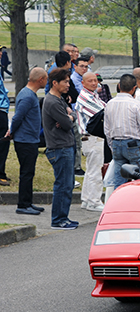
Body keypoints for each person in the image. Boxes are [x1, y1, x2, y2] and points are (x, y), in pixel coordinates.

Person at [8, 68, 47, 215]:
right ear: (40, 80)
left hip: (29, 139)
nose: (47, 81)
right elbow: (18, 117)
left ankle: (28, 202)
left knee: (29, 172)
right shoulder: (27, 96)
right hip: (25, 141)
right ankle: (23, 205)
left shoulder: (29, 94)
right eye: (46, 79)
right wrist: (11, 132)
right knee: (26, 173)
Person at [43, 68, 78, 230]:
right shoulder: (52, 101)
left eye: (69, 81)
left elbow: (73, 115)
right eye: (65, 82)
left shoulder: (60, 99)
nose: (68, 85)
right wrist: (69, 117)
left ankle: (63, 217)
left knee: (68, 184)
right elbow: (66, 123)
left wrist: (70, 116)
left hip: (65, 146)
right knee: (63, 185)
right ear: (55, 83)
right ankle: (58, 219)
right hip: (59, 148)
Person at [104, 73, 140, 191]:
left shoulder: (109, 104)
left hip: (116, 143)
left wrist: (111, 144)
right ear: (134, 88)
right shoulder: (136, 104)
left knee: (119, 180)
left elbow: (107, 129)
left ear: (119, 86)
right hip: (134, 144)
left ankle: (119, 205)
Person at [76, 72, 106, 212]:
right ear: (83, 83)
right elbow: (103, 111)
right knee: (96, 171)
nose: (94, 83)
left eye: (95, 80)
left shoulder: (93, 95)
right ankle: (94, 201)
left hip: (92, 139)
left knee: (90, 170)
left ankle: (87, 200)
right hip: (93, 138)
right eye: (90, 81)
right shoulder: (85, 97)